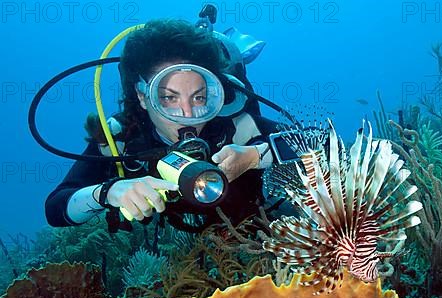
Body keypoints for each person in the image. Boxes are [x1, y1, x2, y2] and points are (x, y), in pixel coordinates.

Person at [45, 19, 279, 233]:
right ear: (143, 96)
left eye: (199, 98)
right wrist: (107, 192)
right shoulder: (122, 139)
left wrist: (255, 156)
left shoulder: (235, 126)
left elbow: (312, 143)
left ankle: (233, 48)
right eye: (169, 98)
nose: (188, 115)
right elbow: (56, 208)